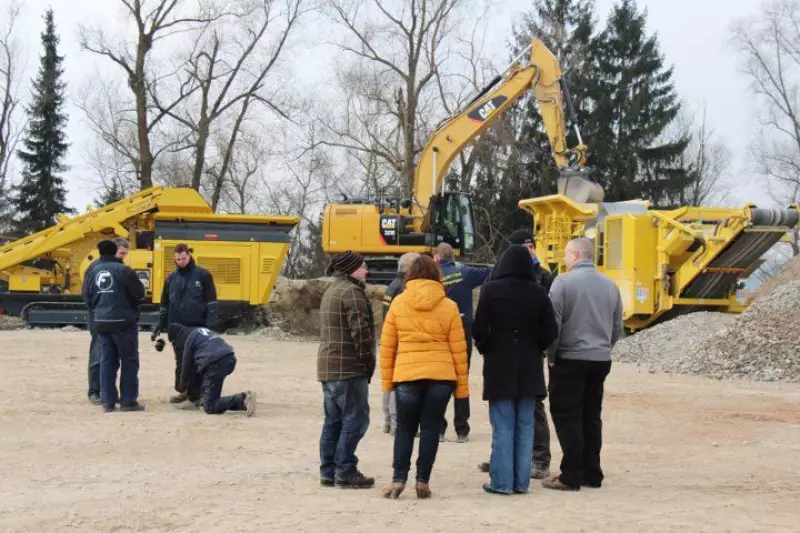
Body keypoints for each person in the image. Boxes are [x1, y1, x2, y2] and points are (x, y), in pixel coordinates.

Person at [379, 254, 468, 499]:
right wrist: (462, 391)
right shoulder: (449, 306)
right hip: (441, 377)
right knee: (430, 429)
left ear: (410, 275)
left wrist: (387, 384)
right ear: (437, 275)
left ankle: (398, 480)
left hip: (407, 374)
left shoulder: (398, 303)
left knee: (405, 429)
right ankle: (422, 481)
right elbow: (459, 351)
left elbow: (387, 347)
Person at [473, 245, 559, 495]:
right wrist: (536, 348)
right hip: (530, 366)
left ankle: (501, 482)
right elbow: (550, 331)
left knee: (503, 426)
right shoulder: (539, 292)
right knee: (525, 426)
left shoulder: (491, 290)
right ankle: (521, 482)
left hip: (499, 365)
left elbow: (479, 329)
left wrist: (487, 347)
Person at [542, 237, 623, 491]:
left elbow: (553, 324)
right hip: (599, 358)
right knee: (591, 415)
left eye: (566, 254)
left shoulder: (563, 283)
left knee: (567, 414)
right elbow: (618, 325)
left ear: (576, 255)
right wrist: (604, 348)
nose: (564, 259)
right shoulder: (611, 286)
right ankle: (592, 471)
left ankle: (571, 474)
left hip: (570, 357)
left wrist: (551, 355)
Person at [317, 251, 376, 489]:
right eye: (363, 267)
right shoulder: (352, 292)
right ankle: (345, 470)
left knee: (333, 421)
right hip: (348, 368)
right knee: (356, 420)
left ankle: (328, 471)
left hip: (328, 367)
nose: (366, 271)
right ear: (351, 269)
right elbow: (360, 333)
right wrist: (367, 362)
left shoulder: (331, 290)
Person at [433, 242, 491, 443]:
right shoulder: (465, 271)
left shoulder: (433, 274)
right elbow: (489, 272)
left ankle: (439, 428)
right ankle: (462, 429)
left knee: (439, 378)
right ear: (453, 256)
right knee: (461, 378)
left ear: (437, 257)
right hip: (463, 327)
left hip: (440, 329)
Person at [81, 239, 145, 412]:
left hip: (101, 322)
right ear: (115, 251)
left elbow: (86, 296)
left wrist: (99, 311)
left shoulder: (92, 270)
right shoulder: (124, 270)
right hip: (123, 322)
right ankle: (128, 401)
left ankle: (107, 401)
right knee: (129, 362)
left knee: (106, 361)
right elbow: (139, 293)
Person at [152, 243, 219, 405]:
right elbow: (164, 304)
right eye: (177, 259)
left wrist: (211, 327)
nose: (181, 262)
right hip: (177, 328)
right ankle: (184, 391)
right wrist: (160, 325)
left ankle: (199, 394)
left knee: (198, 361)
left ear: (189, 255)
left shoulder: (203, 275)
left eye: (183, 258)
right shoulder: (171, 278)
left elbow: (211, 302)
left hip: (198, 327)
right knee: (181, 361)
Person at [167, 324, 256, 416]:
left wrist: (182, 387)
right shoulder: (202, 331)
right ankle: (244, 403)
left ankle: (243, 399)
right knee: (210, 393)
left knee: (210, 406)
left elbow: (185, 368)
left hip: (214, 364)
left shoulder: (188, 341)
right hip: (229, 358)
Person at [86, 237, 130, 405]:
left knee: (111, 357)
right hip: (100, 318)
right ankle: (94, 391)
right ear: (114, 250)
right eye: (121, 253)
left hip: (113, 318)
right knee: (98, 355)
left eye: (126, 254)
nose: (123, 257)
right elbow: (87, 295)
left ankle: (108, 392)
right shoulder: (97, 268)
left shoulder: (120, 268)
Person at [381, 252, 420, 436]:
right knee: (400, 385)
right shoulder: (403, 288)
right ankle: (396, 424)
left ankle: (388, 422)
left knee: (389, 383)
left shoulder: (391, 286)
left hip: (389, 337)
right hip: (400, 340)